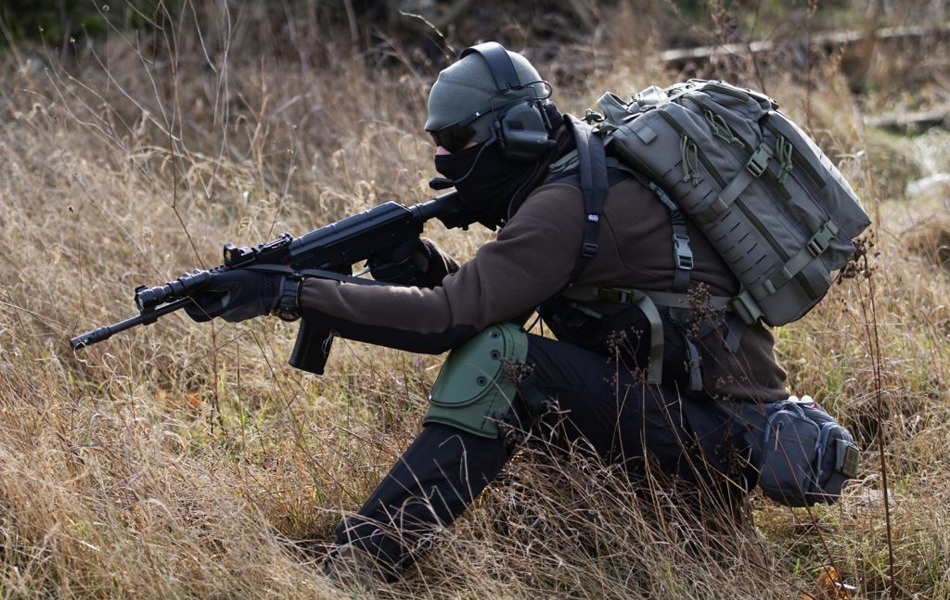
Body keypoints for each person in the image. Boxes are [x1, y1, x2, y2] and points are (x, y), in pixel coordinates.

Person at [184, 42, 790, 582]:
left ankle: (357, 567)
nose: (446, 158)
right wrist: (414, 262)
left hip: (722, 439)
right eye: (437, 143)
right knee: (502, 349)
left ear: (519, 130)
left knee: (502, 363)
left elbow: (449, 320)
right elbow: (481, 301)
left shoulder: (565, 203)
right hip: (688, 415)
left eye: (456, 140)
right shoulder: (577, 173)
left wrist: (291, 292)